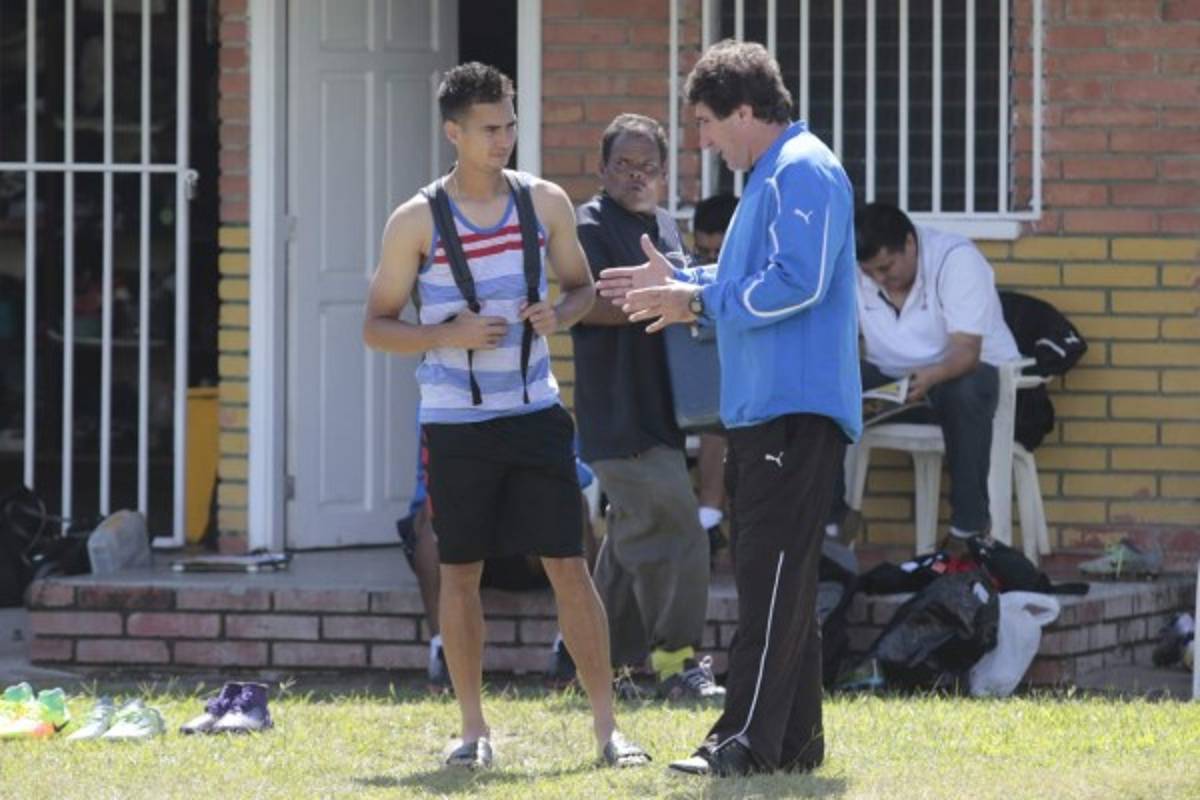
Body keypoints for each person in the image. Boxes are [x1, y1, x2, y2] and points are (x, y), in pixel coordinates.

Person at [363, 62, 649, 770]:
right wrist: (441, 335)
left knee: (570, 565)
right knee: (459, 571)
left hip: (537, 412)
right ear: (453, 132)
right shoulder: (416, 219)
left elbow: (582, 291)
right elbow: (375, 325)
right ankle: (471, 729)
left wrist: (562, 311)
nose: (506, 139)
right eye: (491, 128)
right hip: (455, 424)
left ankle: (608, 730)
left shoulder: (544, 202)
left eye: (512, 124)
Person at [596, 40, 861, 777]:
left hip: (791, 411)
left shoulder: (802, 169)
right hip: (767, 409)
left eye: (710, 123)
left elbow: (797, 283)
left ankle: (739, 741)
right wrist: (684, 277)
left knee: (769, 583)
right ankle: (793, 745)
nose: (705, 141)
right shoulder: (776, 174)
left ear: (747, 110)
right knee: (782, 584)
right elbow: (754, 275)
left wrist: (698, 298)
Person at [571, 113, 724, 701]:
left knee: (629, 539)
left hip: (665, 408)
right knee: (681, 527)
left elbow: (682, 307)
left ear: (665, 172)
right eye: (624, 165)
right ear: (603, 168)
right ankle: (678, 664)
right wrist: (657, 297)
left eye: (648, 167)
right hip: (616, 413)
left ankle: (595, 664)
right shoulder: (588, 225)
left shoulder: (664, 224)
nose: (636, 176)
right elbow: (583, 304)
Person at [828, 202, 1020, 544]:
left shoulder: (956, 259)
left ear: (911, 244)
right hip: (894, 376)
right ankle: (832, 522)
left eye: (886, 268)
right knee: (820, 391)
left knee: (964, 389)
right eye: (870, 273)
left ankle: (970, 529)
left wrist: (931, 377)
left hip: (963, 374)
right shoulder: (855, 271)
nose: (879, 280)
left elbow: (967, 351)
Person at [690, 194, 740, 553]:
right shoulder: (689, 275)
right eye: (702, 253)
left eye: (717, 254)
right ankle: (707, 521)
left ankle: (708, 518)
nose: (709, 263)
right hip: (697, 395)